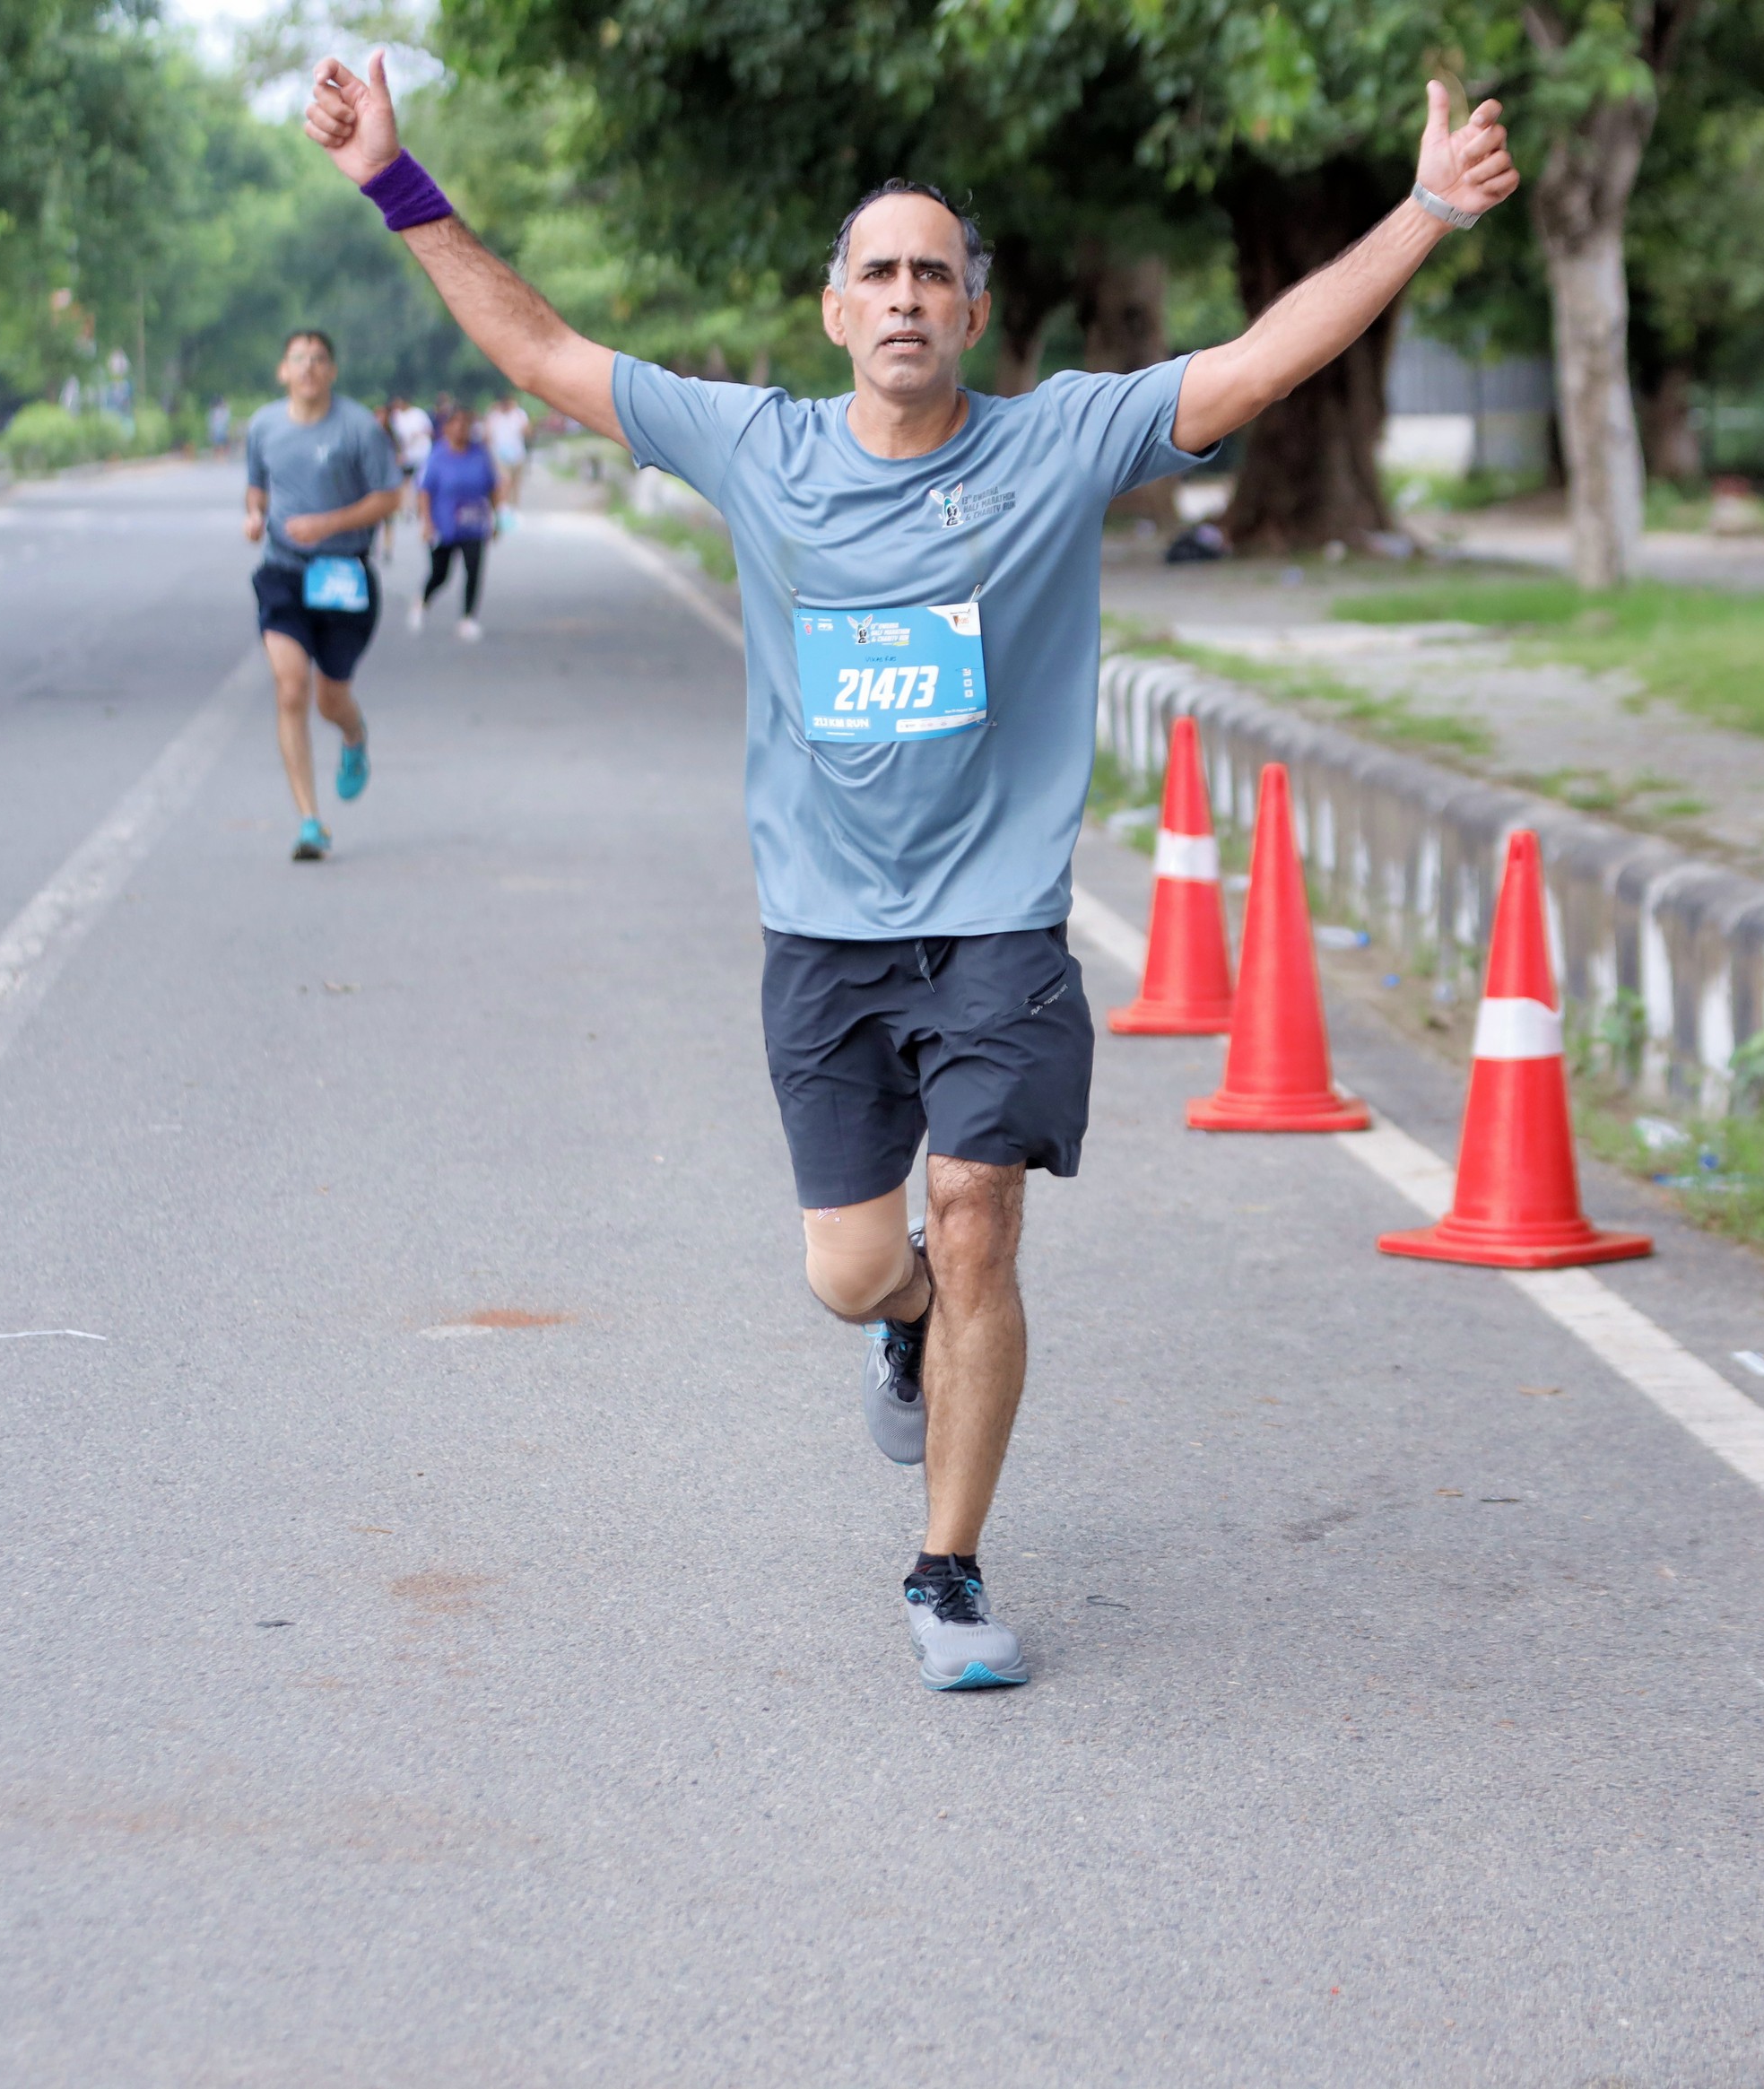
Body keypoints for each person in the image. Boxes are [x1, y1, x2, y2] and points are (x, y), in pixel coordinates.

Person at [304, 52, 1516, 1688]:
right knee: (855, 1266)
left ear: (972, 312)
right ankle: (903, 1324)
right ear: (833, 311)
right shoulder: (757, 447)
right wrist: (395, 181)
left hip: (997, 927)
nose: (901, 296)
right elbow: (537, 350)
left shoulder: (1056, 441)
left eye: (931, 274)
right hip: (821, 935)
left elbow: (1251, 366)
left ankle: (945, 1569)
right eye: (875, 272)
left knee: (978, 1215)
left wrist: (1424, 210)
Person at [244, 329, 404, 862]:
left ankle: (354, 735)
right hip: (284, 572)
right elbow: (256, 486)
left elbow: (390, 497)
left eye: (318, 359)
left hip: (343, 576)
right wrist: (253, 514)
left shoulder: (359, 427)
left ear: (332, 371)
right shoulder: (264, 425)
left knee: (329, 700)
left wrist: (327, 524)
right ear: (282, 371)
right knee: (290, 688)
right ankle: (310, 821)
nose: (308, 367)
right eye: (298, 359)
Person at [414, 405, 500, 640]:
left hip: (474, 523)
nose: (461, 428)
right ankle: (423, 601)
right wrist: (427, 523)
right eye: (456, 423)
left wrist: (496, 518)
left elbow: (493, 487)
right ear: (447, 427)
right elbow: (425, 491)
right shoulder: (437, 456)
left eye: (465, 423)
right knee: (440, 574)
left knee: (473, 571)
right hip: (444, 524)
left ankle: (468, 618)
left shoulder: (480, 455)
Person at [482, 389, 532, 518]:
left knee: (515, 483)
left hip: (517, 454)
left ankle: (513, 509)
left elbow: (527, 432)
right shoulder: (494, 416)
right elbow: (487, 435)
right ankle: (501, 508)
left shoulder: (519, 414)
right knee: (505, 481)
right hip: (500, 454)